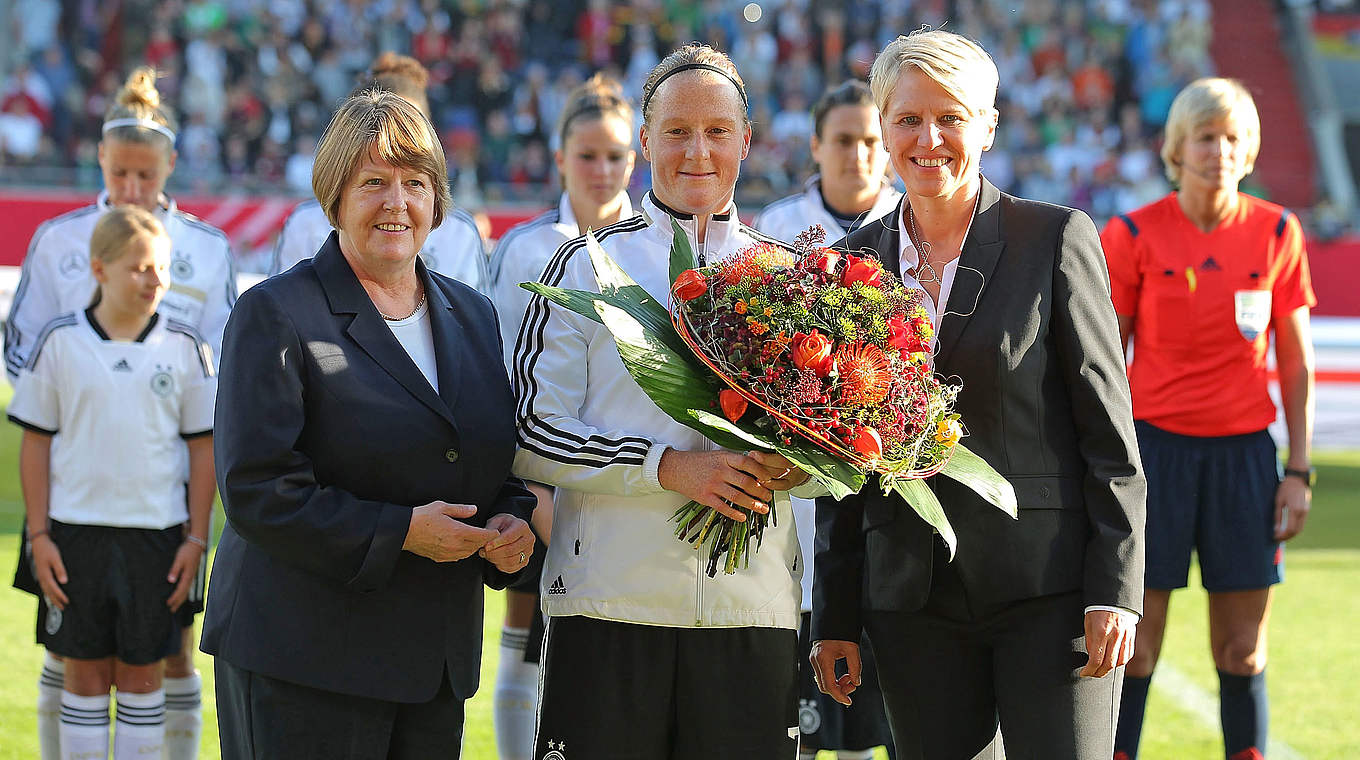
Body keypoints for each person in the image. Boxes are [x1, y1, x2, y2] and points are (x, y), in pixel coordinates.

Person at [809, 30, 1145, 760]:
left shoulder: (1054, 238)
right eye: (907, 119)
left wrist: (1113, 589)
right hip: (910, 602)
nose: (928, 138)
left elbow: (1110, 438)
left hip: (1049, 596)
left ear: (988, 125)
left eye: (951, 116)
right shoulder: (844, 267)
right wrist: (832, 613)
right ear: (883, 127)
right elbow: (839, 460)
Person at [200, 89, 537, 759]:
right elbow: (256, 491)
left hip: (432, 663)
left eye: (415, 182)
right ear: (334, 195)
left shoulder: (472, 314)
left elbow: (485, 457)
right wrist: (401, 533)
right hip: (306, 659)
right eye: (373, 182)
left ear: (437, 200)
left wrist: (511, 517)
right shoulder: (276, 312)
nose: (396, 202)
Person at [513, 44, 818, 760]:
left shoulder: (792, 279)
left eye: (718, 131)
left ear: (747, 138)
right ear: (645, 142)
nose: (698, 151)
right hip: (610, 604)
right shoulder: (585, 265)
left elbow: (821, 448)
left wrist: (797, 467)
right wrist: (666, 468)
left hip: (752, 611)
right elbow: (531, 429)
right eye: (677, 131)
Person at [6, 66, 235, 760]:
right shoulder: (57, 240)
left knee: (167, 661)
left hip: (162, 504)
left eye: (145, 175)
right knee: (69, 657)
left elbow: (222, 367)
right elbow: (28, 358)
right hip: (77, 494)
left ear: (169, 166)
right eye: (119, 174)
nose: (131, 190)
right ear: (100, 163)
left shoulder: (206, 248)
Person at [1103, 78, 1315, 760]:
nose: (1219, 151)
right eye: (1205, 137)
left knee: (1243, 651)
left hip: (1246, 460)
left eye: (1233, 138)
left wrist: (1299, 471)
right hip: (1155, 457)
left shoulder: (1279, 231)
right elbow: (1106, 366)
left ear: (1248, 149)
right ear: (1177, 147)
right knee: (1135, 649)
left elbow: (1296, 365)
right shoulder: (1133, 233)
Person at [487, 72, 635, 760]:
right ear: (559, 158)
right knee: (526, 624)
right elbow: (503, 379)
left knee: (619, 637)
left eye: (615, 155)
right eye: (587, 155)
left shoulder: (655, 245)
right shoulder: (522, 248)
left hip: (628, 476)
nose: (602, 170)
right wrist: (535, 490)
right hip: (538, 474)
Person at [753, 78, 899, 760]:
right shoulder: (777, 232)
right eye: (844, 140)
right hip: (799, 491)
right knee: (799, 716)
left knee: (886, 716)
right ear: (816, 145)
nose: (859, 154)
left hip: (889, 488)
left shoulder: (914, 224)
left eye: (872, 140)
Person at [269, 52, 490, 293]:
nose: (397, 204)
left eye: (409, 124)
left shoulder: (460, 233)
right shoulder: (306, 225)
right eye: (374, 181)